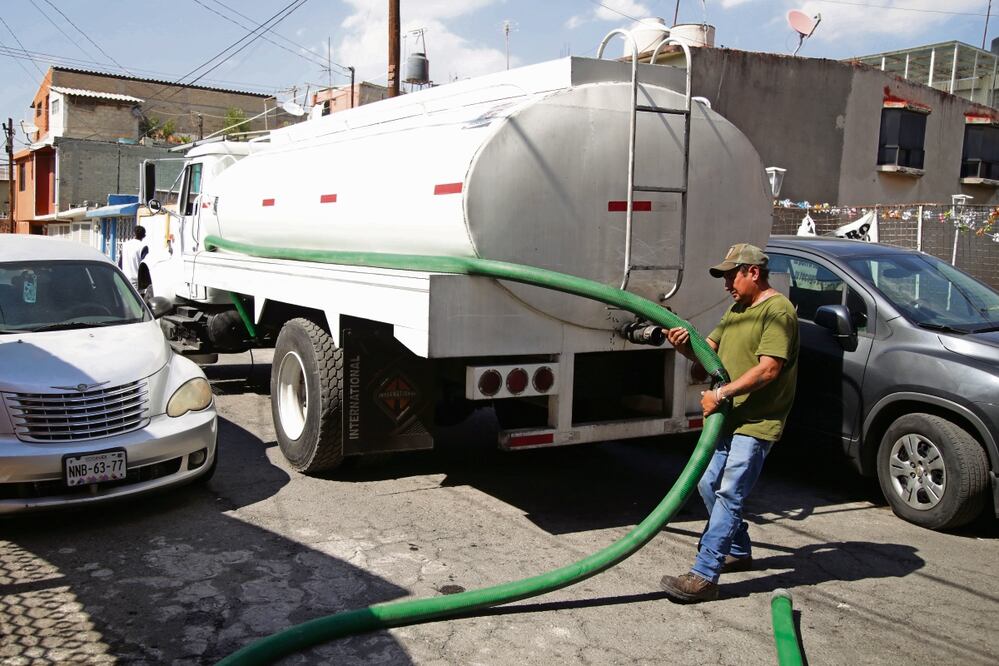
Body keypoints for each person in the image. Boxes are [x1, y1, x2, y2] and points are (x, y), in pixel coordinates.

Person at [659, 243, 799, 603]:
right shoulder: (738, 308)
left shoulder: (777, 311)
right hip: (730, 417)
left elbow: (769, 368)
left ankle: (705, 575)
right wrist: (684, 344)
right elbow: (708, 350)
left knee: (728, 493)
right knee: (708, 484)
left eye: (730, 275)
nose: (725, 284)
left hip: (757, 421)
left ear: (753, 272)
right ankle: (737, 546)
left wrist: (720, 395)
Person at [118, 225, 148, 289]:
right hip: (137, 281)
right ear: (144, 236)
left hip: (124, 278)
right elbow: (145, 266)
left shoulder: (125, 245)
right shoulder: (143, 246)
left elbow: (120, 263)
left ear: (133, 233)